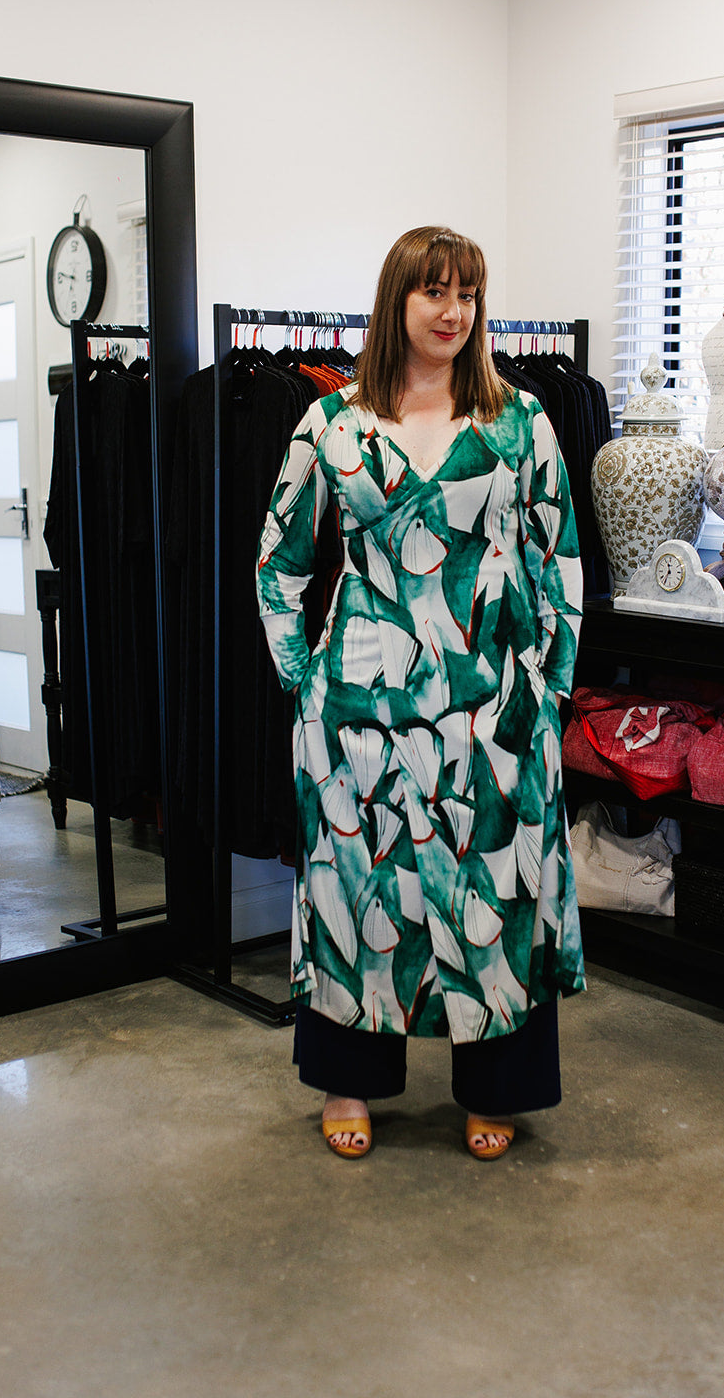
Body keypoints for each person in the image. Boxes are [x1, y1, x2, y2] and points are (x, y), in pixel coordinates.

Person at [256, 226, 585, 1160]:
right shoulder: (331, 424)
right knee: (358, 887)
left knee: (497, 887)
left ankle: (496, 1085)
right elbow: (279, 564)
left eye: (467, 294)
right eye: (434, 291)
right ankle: (349, 1081)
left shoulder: (520, 422)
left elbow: (558, 561)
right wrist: (303, 680)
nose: (453, 312)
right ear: (395, 299)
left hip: (493, 707)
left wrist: (549, 688)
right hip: (359, 709)